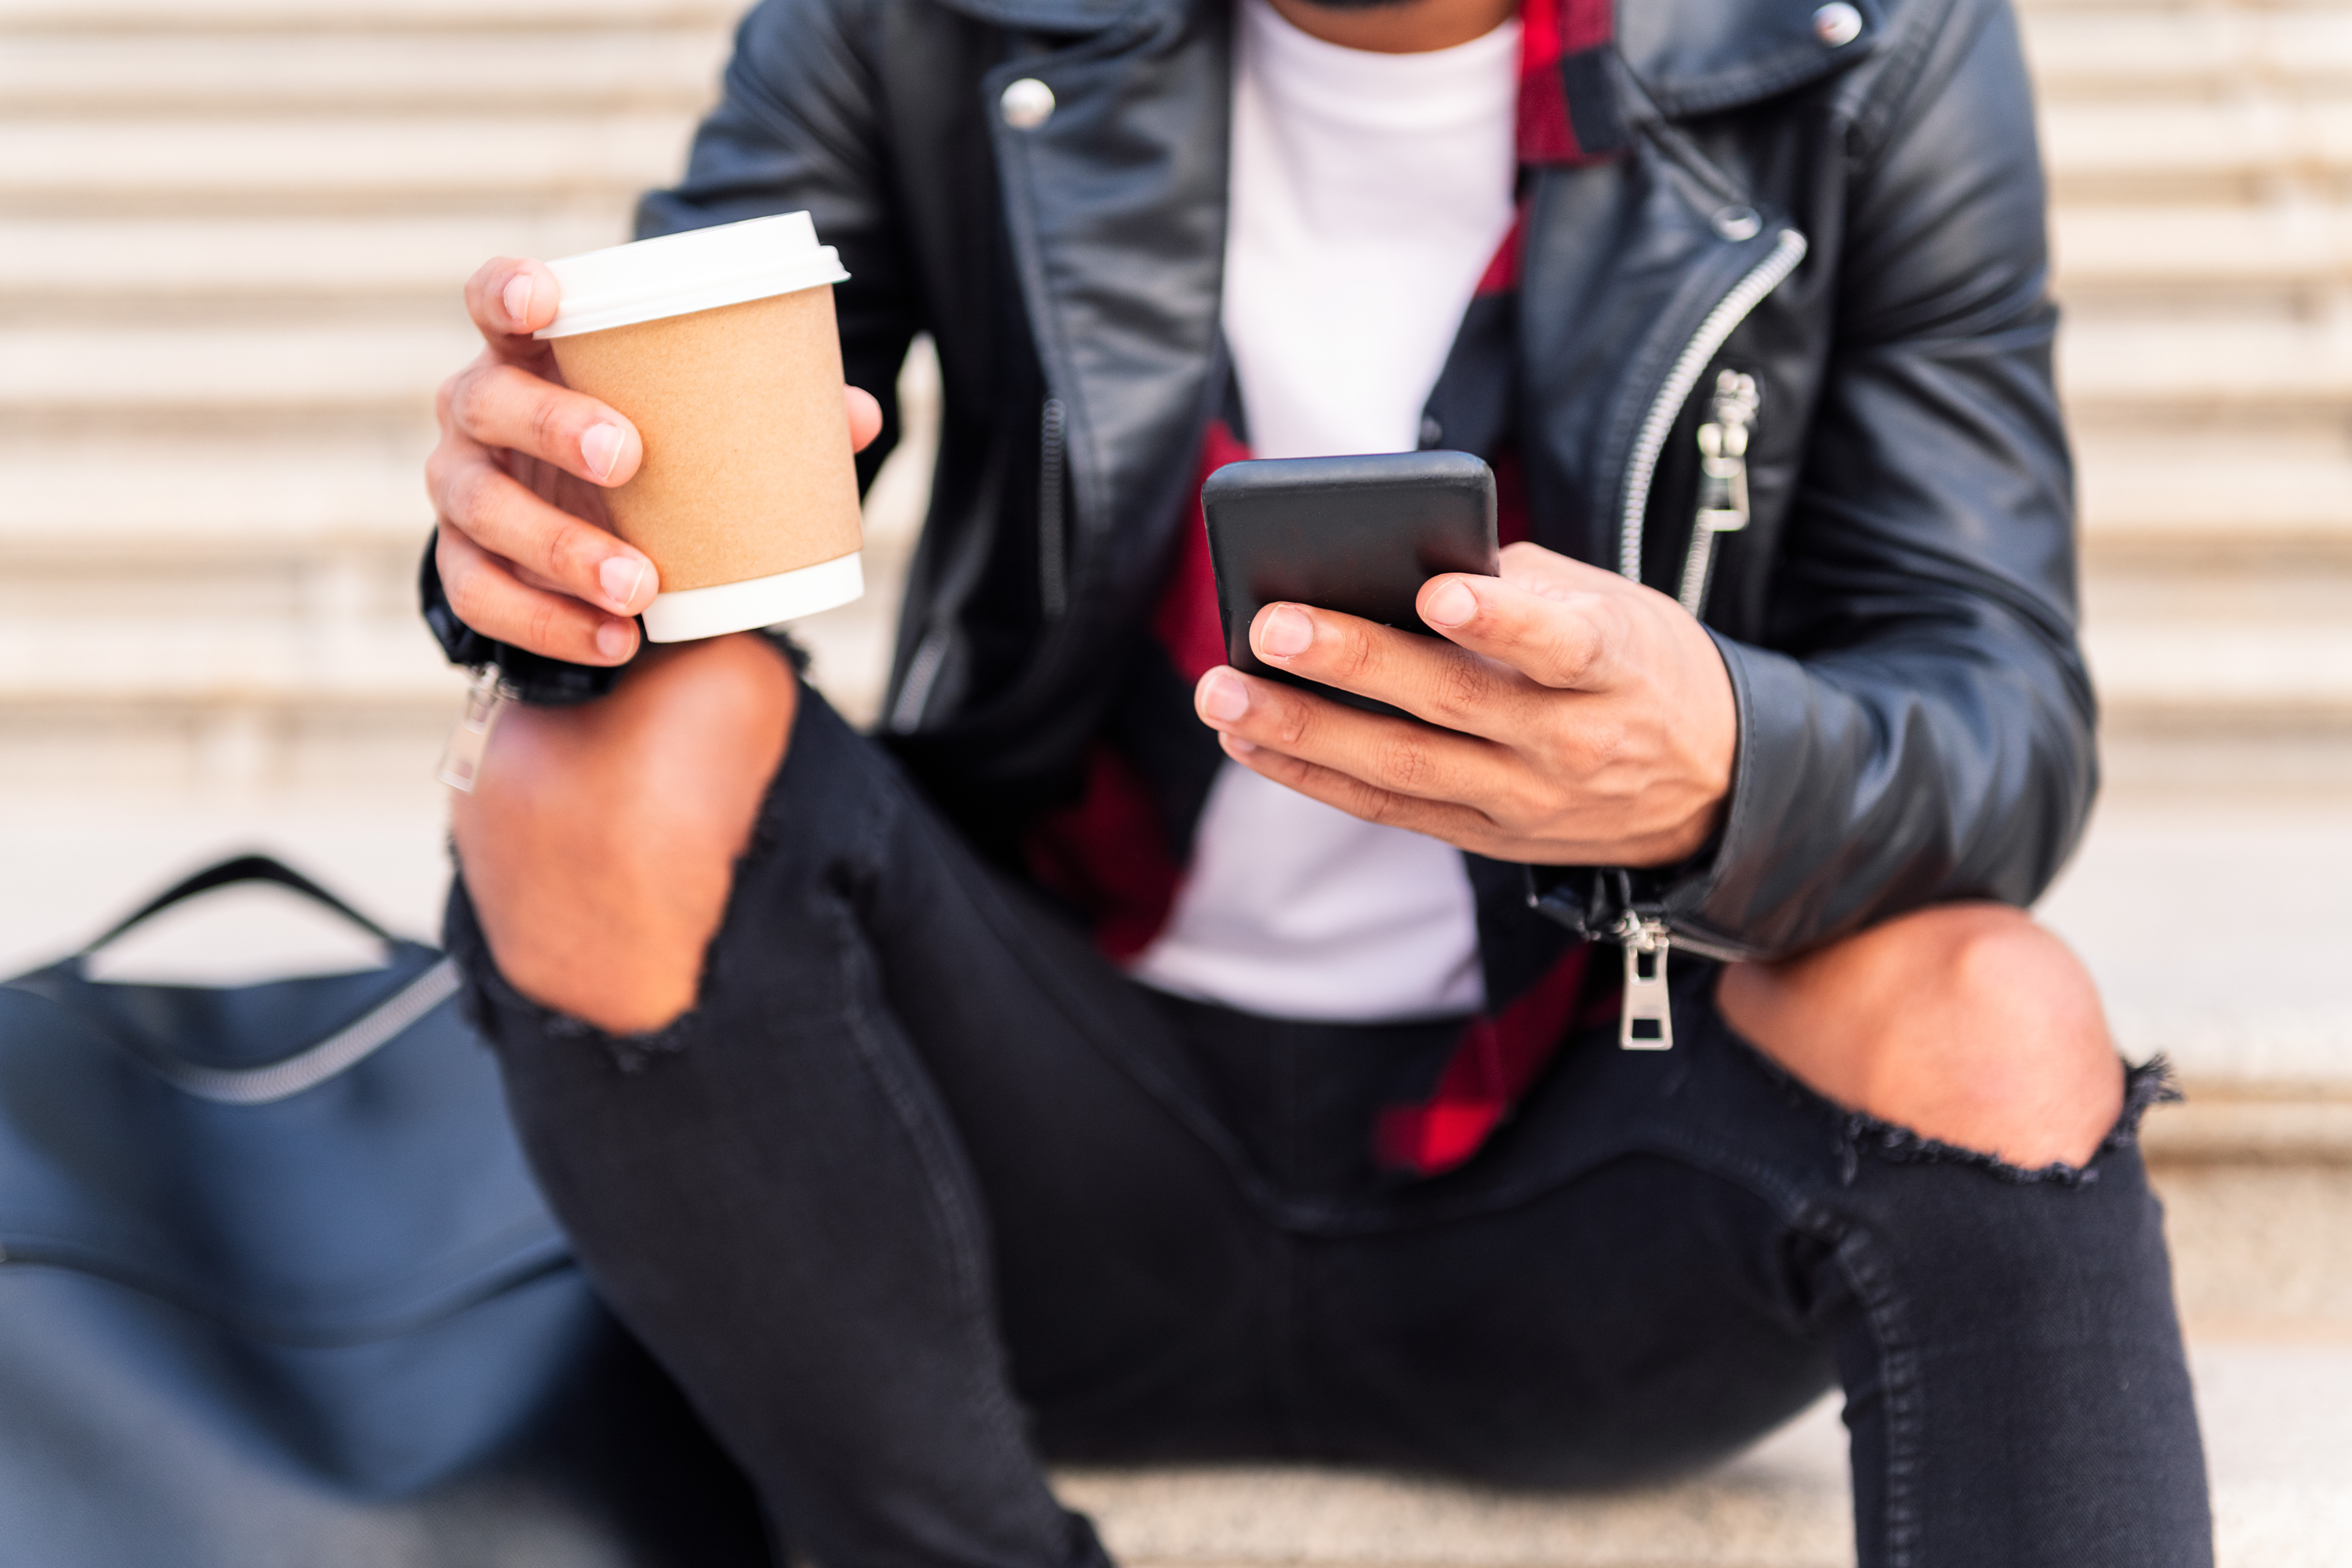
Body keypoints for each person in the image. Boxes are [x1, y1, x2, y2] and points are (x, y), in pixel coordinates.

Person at [419, 0, 2212, 1559]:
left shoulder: (1864, 35)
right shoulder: (925, 16)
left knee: (1997, 1010)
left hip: (1600, 1166)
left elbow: (1999, 707)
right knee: (599, 757)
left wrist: (1720, 768)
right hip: (1017, 1143)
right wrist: (547, 547)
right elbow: (640, 474)